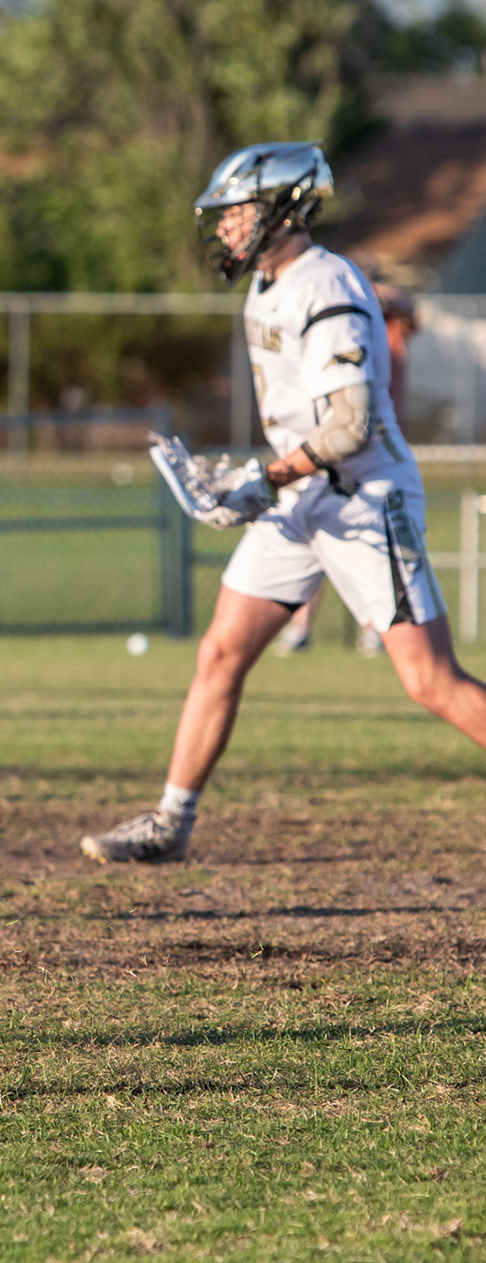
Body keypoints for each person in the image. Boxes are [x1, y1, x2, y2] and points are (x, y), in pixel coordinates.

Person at [84, 143, 486, 864]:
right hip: (303, 494)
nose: (225, 227)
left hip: (363, 497)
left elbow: (350, 425)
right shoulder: (266, 286)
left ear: (282, 211)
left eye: (238, 212)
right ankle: (172, 820)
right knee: (220, 651)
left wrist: (264, 479)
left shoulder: (324, 283)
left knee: (430, 680)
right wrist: (262, 476)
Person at [269, 282, 417, 659]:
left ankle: (376, 630)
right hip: (325, 454)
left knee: (372, 552)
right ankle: (300, 627)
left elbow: (410, 311)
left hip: (376, 455)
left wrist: (378, 293)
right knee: (312, 543)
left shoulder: (385, 324)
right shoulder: (330, 319)